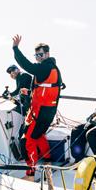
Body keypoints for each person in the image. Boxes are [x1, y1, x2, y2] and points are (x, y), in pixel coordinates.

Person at [12, 35, 63, 180]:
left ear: (47, 54)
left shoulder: (45, 67)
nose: (38, 57)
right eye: (36, 55)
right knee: (38, 135)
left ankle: (30, 174)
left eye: (41, 55)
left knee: (26, 139)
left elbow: (27, 66)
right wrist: (30, 92)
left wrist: (15, 48)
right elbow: (46, 87)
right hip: (49, 110)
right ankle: (48, 160)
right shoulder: (53, 68)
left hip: (40, 111)